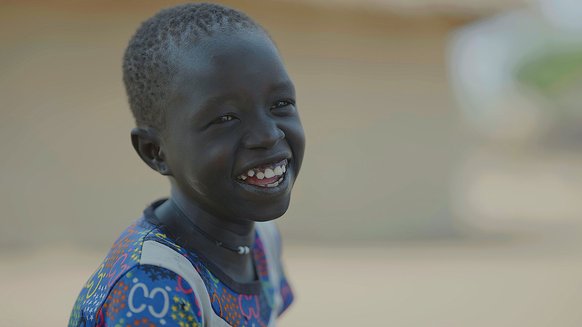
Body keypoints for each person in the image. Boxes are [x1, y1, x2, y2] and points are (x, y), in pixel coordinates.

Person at [68, 3, 305, 326]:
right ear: (156, 152)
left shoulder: (262, 239)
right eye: (225, 118)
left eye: (281, 104)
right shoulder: (152, 289)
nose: (268, 135)